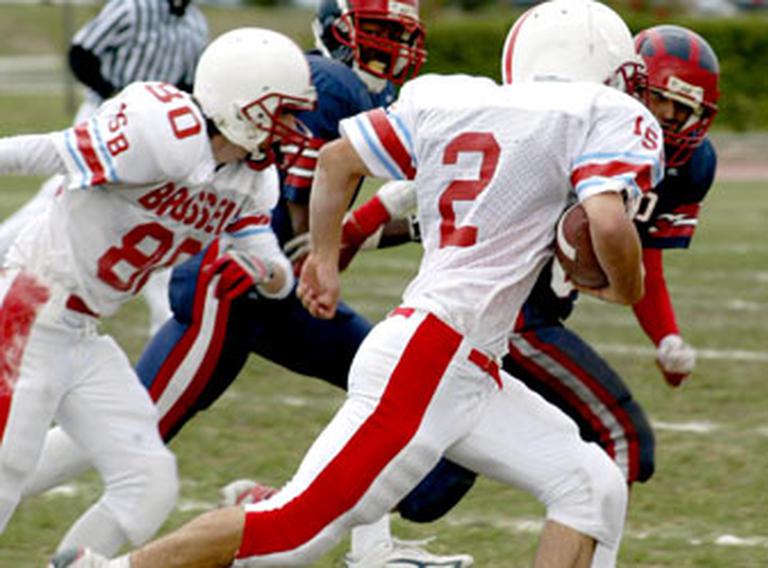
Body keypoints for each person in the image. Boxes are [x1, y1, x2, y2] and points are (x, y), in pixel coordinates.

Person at [50, 0, 663, 565]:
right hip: (430, 360)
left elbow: (338, 159)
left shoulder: (458, 99)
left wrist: (322, 255)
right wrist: (627, 288)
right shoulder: (602, 112)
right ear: (603, 65)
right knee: (289, 531)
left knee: (590, 484)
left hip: (466, 362)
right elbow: (607, 218)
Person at [27, 1, 471, 565]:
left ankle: (367, 545)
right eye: (380, 31)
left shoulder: (345, 90)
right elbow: (299, 203)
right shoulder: (328, 82)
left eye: (401, 34)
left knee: (382, 392)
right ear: (339, 30)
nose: (394, 47)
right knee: (134, 433)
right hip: (230, 287)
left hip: (276, 293)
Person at [335, 24, 721, 494]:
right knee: (625, 440)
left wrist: (666, 337)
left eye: (685, 110)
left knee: (428, 489)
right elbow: (456, 177)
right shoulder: (579, 123)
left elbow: (645, 259)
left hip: (520, 320)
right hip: (518, 316)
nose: (668, 117)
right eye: (660, 100)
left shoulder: (691, 167)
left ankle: (287, 506)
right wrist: (360, 226)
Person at [0, 27, 309, 557]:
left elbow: (275, 268)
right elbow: (47, 152)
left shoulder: (249, 180)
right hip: (34, 301)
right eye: (279, 111)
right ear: (239, 102)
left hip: (84, 332)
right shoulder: (162, 130)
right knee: (8, 464)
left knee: (147, 482)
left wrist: (265, 274)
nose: (291, 127)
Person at [0, 0, 209, 336]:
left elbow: (189, 85)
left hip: (160, 142)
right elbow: (82, 53)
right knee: (56, 196)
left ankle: (165, 322)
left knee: (157, 213)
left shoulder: (196, 24)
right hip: (106, 123)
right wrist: (117, 96)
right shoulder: (134, 7)